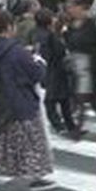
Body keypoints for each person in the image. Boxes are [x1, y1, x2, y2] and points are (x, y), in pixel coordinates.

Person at [0, 10, 55, 191]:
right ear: (9, 27)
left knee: (8, 143)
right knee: (33, 140)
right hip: (21, 102)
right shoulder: (15, 50)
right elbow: (36, 74)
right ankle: (34, 177)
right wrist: (39, 61)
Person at [64, 0, 96, 135]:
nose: (70, 9)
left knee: (82, 97)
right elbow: (70, 43)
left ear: (81, 7)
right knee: (89, 99)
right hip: (77, 65)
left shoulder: (91, 24)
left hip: (89, 66)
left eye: (72, 6)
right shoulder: (71, 25)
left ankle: (78, 128)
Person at [35, 9, 78, 138]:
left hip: (54, 70)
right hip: (55, 69)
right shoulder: (49, 35)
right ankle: (62, 125)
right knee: (54, 99)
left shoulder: (43, 34)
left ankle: (65, 124)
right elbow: (56, 52)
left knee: (59, 98)